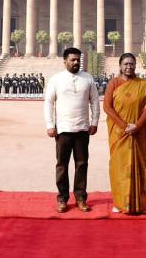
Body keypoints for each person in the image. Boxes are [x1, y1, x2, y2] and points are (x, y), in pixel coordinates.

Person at [103, 53, 146, 215]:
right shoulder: (113, 83)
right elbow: (107, 107)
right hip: (118, 133)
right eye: (125, 64)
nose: (128, 67)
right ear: (120, 66)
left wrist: (136, 126)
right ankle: (120, 203)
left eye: (131, 64)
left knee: (138, 167)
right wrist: (124, 126)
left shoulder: (144, 85)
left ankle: (140, 204)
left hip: (138, 132)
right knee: (119, 168)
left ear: (135, 65)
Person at [44, 47, 100, 213]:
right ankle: (62, 198)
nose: (76, 62)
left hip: (82, 128)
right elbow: (48, 102)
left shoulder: (88, 78)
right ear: (65, 61)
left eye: (78, 60)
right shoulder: (56, 79)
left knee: (81, 164)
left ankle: (81, 198)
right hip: (63, 129)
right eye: (73, 60)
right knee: (62, 165)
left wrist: (95, 121)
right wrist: (49, 124)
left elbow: (95, 101)